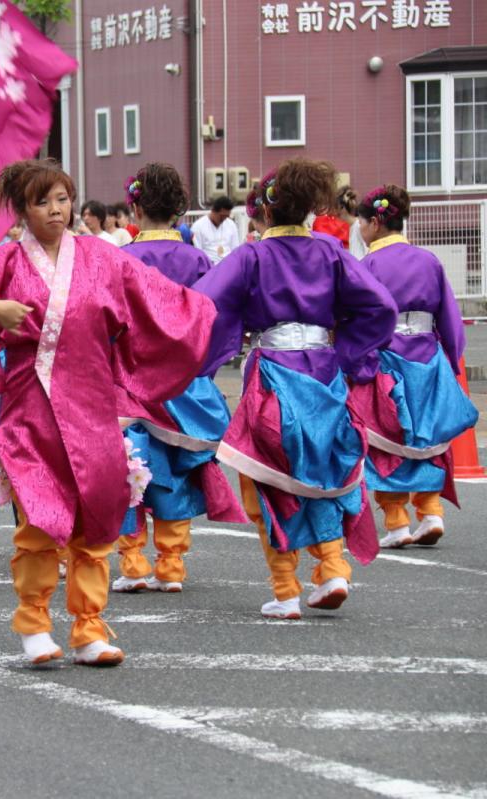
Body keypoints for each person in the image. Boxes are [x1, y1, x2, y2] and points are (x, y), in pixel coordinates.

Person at [0, 159, 217, 666]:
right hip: (30, 411)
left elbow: (159, 299)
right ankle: (33, 620)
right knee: (39, 519)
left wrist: (209, 310)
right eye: (42, 201)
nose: (56, 210)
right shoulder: (4, 262)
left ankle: (89, 627)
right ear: (22, 211)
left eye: (62, 199)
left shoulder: (104, 257)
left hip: (93, 409)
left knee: (96, 519)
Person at [193, 160, 398, 620]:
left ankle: (286, 590)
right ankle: (333, 568)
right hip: (324, 373)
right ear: (309, 207)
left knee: (265, 476)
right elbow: (381, 305)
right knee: (325, 469)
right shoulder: (330, 252)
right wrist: (349, 354)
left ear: (265, 210)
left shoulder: (251, 257)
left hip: (272, 374)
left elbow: (201, 303)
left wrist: (211, 348)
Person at [114, 164, 245, 594]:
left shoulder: (121, 259)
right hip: (186, 383)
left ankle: (132, 560)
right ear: (178, 210)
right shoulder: (198, 260)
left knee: (129, 466)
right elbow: (216, 319)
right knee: (178, 468)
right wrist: (203, 365)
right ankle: (170, 564)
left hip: (132, 378)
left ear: (135, 207)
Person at [349, 185, 478, 548]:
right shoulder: (428, 261)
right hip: (427, 357)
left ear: (375, 223)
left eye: (362, 222)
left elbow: (356, 320)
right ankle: (431, 512)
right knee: (427, 439)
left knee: (386, 441)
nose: (361, 229)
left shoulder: (368, 265)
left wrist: (353, 362)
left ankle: (397, 522)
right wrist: (449, 360)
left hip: (386, 359)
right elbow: (450, 319)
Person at [191, 196, 242, 264]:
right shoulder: (198, 226)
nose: (224, 219)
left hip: (228, 264)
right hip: (209, 265)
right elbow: (197, 253)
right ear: (213, 211)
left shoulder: (231, 225)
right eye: (222, 216)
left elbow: (235, 250)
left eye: (226, 216)